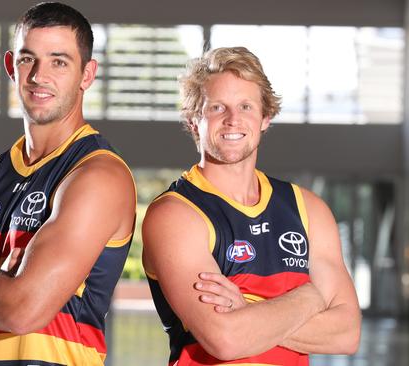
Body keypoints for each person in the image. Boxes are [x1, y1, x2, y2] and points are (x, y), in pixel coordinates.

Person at [0, 3, 136, 365]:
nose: (38, 76)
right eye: (27, 59)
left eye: (59, 62)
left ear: (87, 73)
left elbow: (23, 311)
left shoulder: (97, 175)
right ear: (10, 67)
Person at [142, 47, 361, 365]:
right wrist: (309, 297)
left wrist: (247, 311)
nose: (233, 119)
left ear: (265, 118)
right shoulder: (176, 214)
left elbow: (347, 333)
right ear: (194, 121)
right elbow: (225, 339)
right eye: (217, 107)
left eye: (246, 106)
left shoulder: (307, 209)